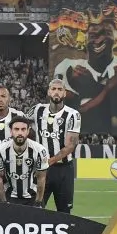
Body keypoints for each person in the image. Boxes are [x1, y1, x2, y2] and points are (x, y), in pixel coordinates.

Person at [28, 79, 82, 213]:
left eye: (60, 89)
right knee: (35, 209)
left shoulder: (73, 115)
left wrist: (49, 161)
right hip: (41, 170)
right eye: (53, 89)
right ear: (48, 92)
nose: (56, 92)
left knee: (64, 211)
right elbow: (19, 121)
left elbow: (71, 145)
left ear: (64, 94)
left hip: (64, 170)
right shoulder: (37, 110)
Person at [0, 117, 49, 207]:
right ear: (11, 131)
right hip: (10, 196)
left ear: (28, 131)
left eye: (23, 129)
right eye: (16, 129)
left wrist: (38, 202)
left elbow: (41, 178)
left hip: (32, 197)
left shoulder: (39, 150)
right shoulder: (0, 150)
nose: (20, 133)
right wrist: (3, 202)